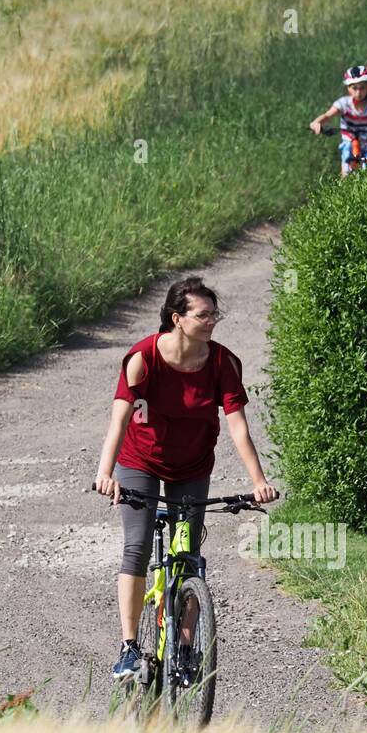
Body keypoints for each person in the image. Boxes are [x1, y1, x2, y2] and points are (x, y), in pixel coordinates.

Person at [95, 276, 278, 680]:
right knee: (138, 546)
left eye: (215, 313)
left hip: (193, 466)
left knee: (189, 559)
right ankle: (128, 648)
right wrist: (105, 473)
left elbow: (238, 428)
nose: (213, 320)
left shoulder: (222, 362)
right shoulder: (143, 358)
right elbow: (118, 421)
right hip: (139, 462)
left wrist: (258, 480)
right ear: (177, 318)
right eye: (204, 314)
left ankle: (184, 649)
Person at [309, 64, 367, 175]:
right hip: (351, 142)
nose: (358, 92)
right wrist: (317, 123)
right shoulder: (343, 104)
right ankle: (345, 184)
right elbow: (327, 115)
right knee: (346, 166)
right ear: (348, 88)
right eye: (354, 88)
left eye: (362, 87)